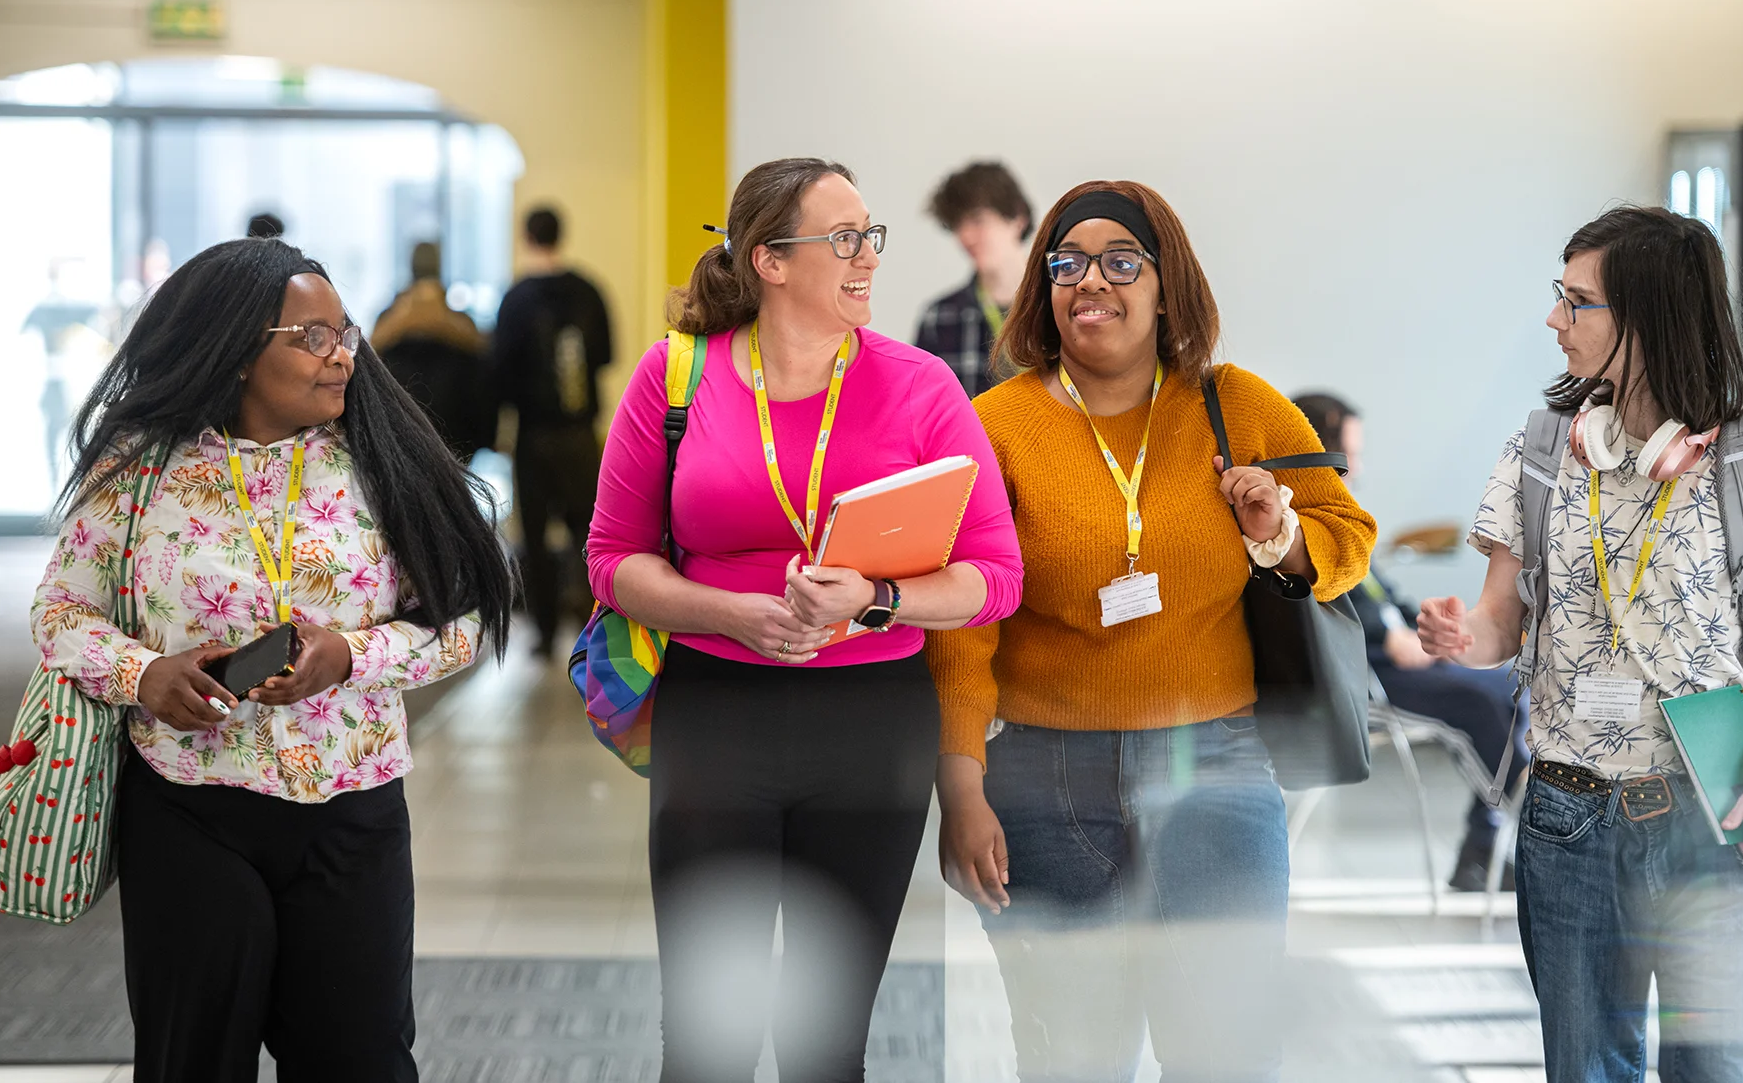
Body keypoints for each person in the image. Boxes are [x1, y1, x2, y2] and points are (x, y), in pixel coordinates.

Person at [34, 235, 515, 1083]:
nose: (344, 358)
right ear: (238, 347)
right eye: (315, 338)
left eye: (347, 333)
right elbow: (61, 610)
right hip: (189, 807)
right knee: (194, 1062)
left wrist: (353, 655)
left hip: (352, 810)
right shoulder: (139, 467)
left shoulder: (382, 461)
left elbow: (467, 620)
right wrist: (142, 673)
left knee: (360, 1062)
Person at [585, 157, 1024, 1083]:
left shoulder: (922, 386)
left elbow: (996, 575)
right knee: (706, 1044)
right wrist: (730, 614)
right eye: (845, 237)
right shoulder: (675, 377)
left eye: (871, 234)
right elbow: (612, 559)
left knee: (829, 1047)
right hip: (718, 714)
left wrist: (879, 597)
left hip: (871, 721)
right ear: (770, 262)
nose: (868, 256)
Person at [929, 181, 1377, 1083]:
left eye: (1120, 260)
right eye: (1067, 263)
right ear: (1042, 285)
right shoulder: (996, 427)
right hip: (1044, 779)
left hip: (1215, 768)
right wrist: (961, 784)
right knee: (1071, 1062)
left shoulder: (1237, 404)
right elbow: (965, 626)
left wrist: (1279, 534)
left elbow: (1348, 534)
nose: (1090, 281)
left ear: (1167, 283)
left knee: (1227, 1057)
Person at [1417, 206, 1743, 1083]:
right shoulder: (1535, 454)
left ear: (1651, 316)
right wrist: (1462, 636)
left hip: (1717, 804)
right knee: (1586, 1069)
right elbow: (1499, 625)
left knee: (1722, 1067)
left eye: (1578, 302)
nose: (1555, 320)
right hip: (1570, 813)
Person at [1292, 391, 1530, 891]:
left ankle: (1483, 849)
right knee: (1494, 707)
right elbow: (1328, 614)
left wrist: (1421, 628)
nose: (1357, 468)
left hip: (1396, 660)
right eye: (1350, 455)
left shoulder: (1342, 518)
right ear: (1323, 452)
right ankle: (1500, 839)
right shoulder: (1301, 529)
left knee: (1510, 691)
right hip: (1369, 673)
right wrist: (1393, 637)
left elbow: (1382, 597)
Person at [494, 206, 613, 654]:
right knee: (591, 534)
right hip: (582, 434)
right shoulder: (588, 291)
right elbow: (605, 354)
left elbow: (500, 374)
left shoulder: (516, 298)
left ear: (527, 237)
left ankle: (544, 634)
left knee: (537, 537)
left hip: (533, 435)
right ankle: (595, 626)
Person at [914, 160, 1033, 398]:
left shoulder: (1060, 304)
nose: (965, 237)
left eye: (978, 220)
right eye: (957, 225)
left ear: (1017, 218)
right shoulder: (939, 318)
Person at [373, 241, 495, 462]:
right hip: (454, 444)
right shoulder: (463, 327)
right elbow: (482, 391)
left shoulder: (387, 325)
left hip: (402, 443)